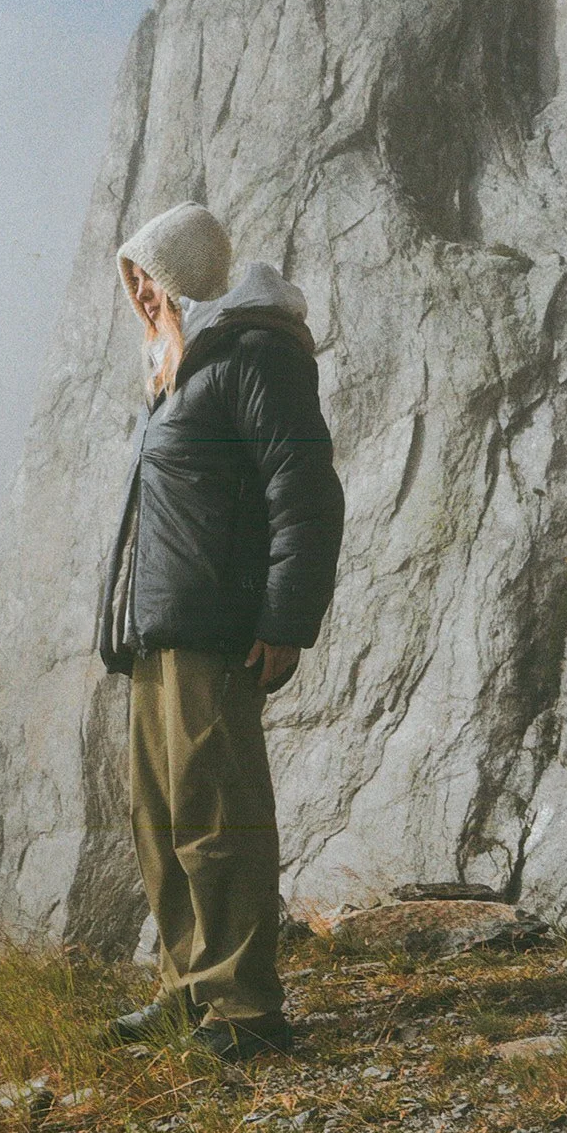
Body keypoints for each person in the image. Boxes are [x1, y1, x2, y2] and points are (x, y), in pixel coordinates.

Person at [96, 201, 344, 1064]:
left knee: (219, 817)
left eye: (148, 275)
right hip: (159, 630)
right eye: (128, 275)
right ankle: (186, 990)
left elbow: (304, 489)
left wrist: (285, 619)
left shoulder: (254, 352)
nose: (136, 290)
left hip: (218, 628)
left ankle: (245, 1012)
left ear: (185, 276)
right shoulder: (177, 368)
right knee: (160, 820)